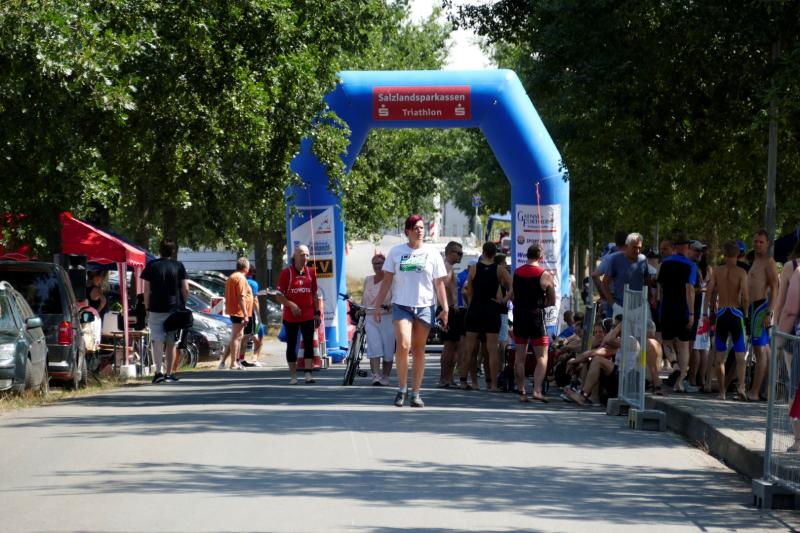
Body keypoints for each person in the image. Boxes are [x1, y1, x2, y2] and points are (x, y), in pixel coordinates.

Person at [373, 214, 448, 408]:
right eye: (416, 228)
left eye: (422, 227)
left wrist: (445, 307)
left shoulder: (432, 253)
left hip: (425, 306)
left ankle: (416, 393)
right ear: (408, 231)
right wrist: (378, 305)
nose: (420, 231)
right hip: (401, 305)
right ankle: (402, 388)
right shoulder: (396, 252)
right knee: (404, 345)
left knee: (418, 349)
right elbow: (386, 281)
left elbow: (439, 283)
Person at [463, 242, 512, 392]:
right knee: (492, 349)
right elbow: (512, 285)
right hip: (492, 309)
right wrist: (504, 300)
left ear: (483, 252)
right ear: (495, 254)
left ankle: (463, 381)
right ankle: (493, 385)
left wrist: (471, 305)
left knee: (469, 348)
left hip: (475, 309)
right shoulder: (499, 269)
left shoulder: (473, 268)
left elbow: (468, 291)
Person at [704, 241, 749, 400]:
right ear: (738, 254)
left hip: (722, 314)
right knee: (740, 355)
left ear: (724, 254)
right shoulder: (741, 272)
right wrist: (745, 314)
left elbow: (709, 292)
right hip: (736, 314)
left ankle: (722, 392)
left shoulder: (717, 271)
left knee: (719, 357)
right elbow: (745, 297)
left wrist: (708, 311)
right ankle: (741, 387)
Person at [511, 243, 555, 402]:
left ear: (527, 255)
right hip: (536, 316)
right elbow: (552, 300)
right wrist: (542, 304)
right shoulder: (545, 275)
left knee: (519, 357)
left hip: (519, 316)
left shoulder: (517, 272)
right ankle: (537, 390)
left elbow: (513, 295)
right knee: (542, 356)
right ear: (541, 257)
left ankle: (521, 391)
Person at [141, 239, 189, 384]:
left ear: (159, 250)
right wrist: (183, 304)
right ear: (173, 251)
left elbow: (146, 289)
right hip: (174, 309)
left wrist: (147, 307)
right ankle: (169, 373)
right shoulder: (179, 266)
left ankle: (158, 373)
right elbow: (185, 289)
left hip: (156, 308)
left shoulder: (151, 265)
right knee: (171, 341)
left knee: (157, 340)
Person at [657, 233, 697, 393]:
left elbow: (660, 288)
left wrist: (660, 306)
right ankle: (680, 382)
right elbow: (690, 290)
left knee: (666, 341)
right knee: (684, 346)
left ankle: (674, 364)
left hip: (667, 308)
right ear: (687, 247)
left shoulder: (665, 263)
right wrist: (692, 314)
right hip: (683, 310)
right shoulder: (691, 265)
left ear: (674, 247)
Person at [275, 246, 321, 384]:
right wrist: (291, 305)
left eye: (307, 255)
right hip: (291, 316)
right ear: (294, 256)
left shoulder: (311, 272)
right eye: (302, 255)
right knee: (292, 344)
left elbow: (314, 294)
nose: (305, 257)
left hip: (307, 314)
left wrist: (317, 313)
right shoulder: (286, 273)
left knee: (308, 343)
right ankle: (293, 376)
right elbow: (278, 295)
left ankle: (308, 374)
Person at [747, 229, 780, 401]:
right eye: (756, 241)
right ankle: (768, 390)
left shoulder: (769, 262)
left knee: (760, 352)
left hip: (761, 308)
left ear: (768, 244)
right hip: (753, 308)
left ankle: (754, 392)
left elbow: (775, 287)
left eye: (761, 242)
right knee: (765, 351)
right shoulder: (755, 260)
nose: (758, 244)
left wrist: (769, 312)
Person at [361, 252, 394, 386]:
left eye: (380, 263)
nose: (377, 266)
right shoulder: (368, 280)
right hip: (370, 316)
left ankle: (386, 376)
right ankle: (376, 375)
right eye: (375, 264)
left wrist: (390, 305)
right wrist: (361, 309)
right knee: (374, 346)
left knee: (388, 348)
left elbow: (396, 297)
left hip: (387, 317)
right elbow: (364, 299)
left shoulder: (391, 279)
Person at [777, 263, 800, 450]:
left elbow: (789, 309)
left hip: (795, 338)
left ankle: (798, 440)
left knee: (795, 388)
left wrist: (778, 338)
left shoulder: (796, 270)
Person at [601, 232, 649, 319]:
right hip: (620, 307)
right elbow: (604, 284)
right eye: (634, 247)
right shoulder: (615, 260)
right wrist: (614, 305)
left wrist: (649, 299)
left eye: (639, 248)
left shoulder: (643, 260)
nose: (637, 251)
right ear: (627, 246)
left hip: (638, 309)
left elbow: (647, 282)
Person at [438, 242, 465, 388]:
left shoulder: (448, 268)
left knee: (455, 345)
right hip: (448, 310)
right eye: (459, 253)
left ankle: (448, 377)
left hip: (450, 309)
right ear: (450, 253)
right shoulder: (446, 268)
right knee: (449, 346)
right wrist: (452, 305)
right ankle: (444, 379)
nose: (461, 256)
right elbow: (446, 287)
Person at [220, 257, 254, 371]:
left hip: (235, 310)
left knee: (239, 336)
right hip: (238, 311)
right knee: (236, 336)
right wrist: (245, 314)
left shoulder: (232, 277)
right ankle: (233, 363)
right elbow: (241, 297)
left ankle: (236, 361)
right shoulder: (240, 278)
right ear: (246, 267)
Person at [238, 265, 261, 367]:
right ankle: (241, 359)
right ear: (254, 273)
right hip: (249, 312)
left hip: (237, 311)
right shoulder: (253, 283)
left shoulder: (239, 280)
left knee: (237, 336)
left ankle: (235, 359)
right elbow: (254, 299)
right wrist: (259, 314)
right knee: (246, 337)